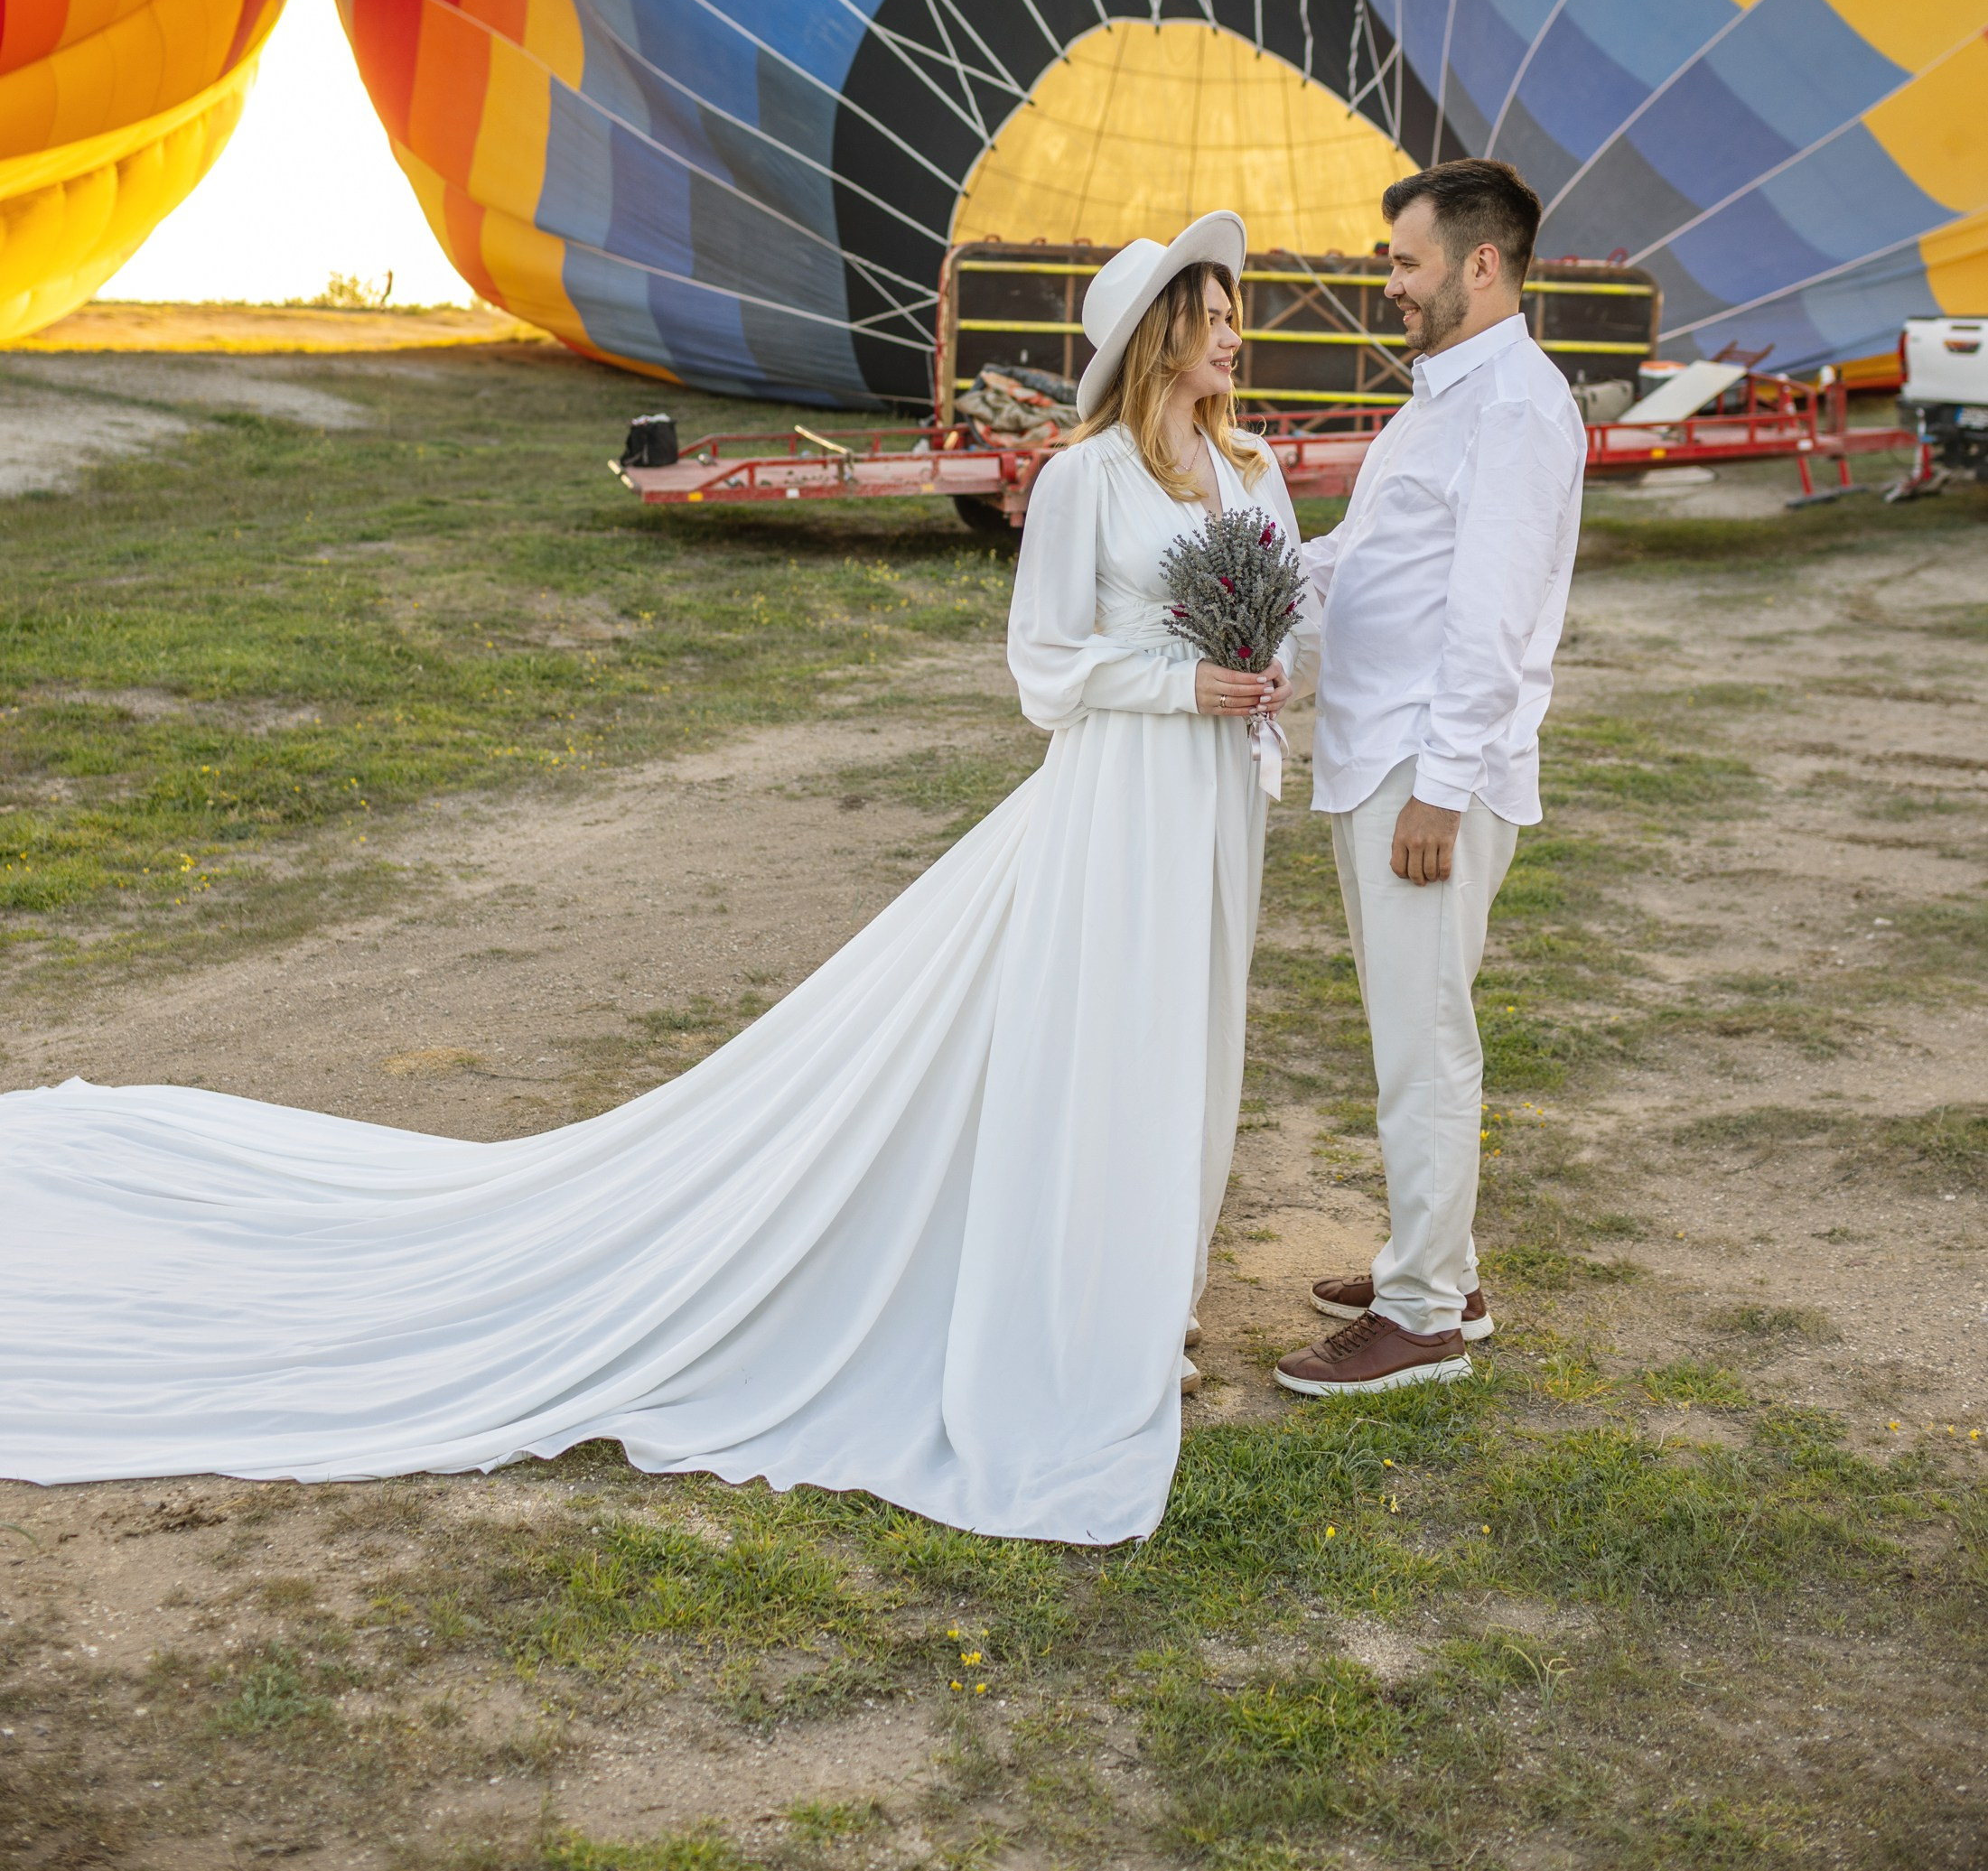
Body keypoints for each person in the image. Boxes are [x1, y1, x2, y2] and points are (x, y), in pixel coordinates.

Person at [0, 216, 1312, 1548]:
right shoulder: (1088, 477)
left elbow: (1289, 611)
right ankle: (1094, 1313)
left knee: (1195, 1036)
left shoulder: (1251, 468)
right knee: (1108, 1041)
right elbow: (1042, 668)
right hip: (1117, 799)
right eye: (1207, 303)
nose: (1230, 322)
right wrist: (1174, 681)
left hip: (1217, 796)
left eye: (1229, 303)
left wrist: (1267, 670)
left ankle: (1162, 1293)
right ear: (1156, 330)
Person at [1273, 160, 1584, 1400]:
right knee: (1414, 1024)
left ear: (1480, 264)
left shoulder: (1510, 405)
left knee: (1422, 1039)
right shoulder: (1443, 397)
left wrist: (1439, 788)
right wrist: (1251, 583)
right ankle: (1437, 1267)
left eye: (1404, 264)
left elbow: (1492, 618)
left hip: (1422, 759)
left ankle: (1419, 1322)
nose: (1387, 284)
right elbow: (1371, 552)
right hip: (1381, 748)